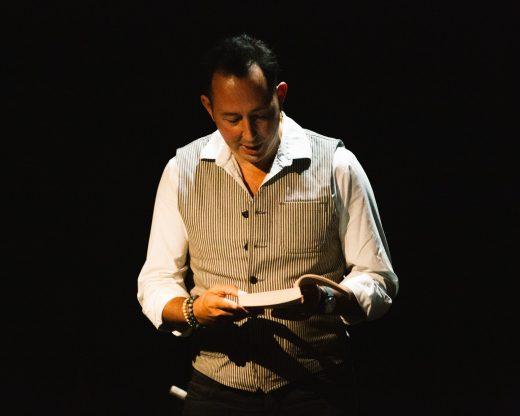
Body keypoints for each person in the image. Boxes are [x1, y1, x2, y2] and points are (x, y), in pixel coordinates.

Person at [137, 33, 398, 416]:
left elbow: (378, 277)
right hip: (218, 387)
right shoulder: (182, 172)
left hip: (316, 386)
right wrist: (194, 310)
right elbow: (156, 280)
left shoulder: (336, 165)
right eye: (232, 119)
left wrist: (328, 300)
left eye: (260, 115)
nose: (249, 133)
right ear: (209, 107)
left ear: (281, 95)